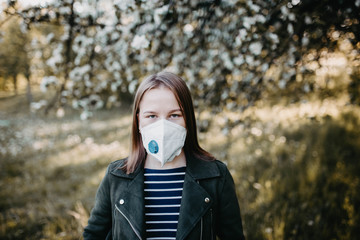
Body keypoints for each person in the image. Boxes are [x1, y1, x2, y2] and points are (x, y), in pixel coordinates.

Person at [83, 72, 245, 240]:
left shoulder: (215, 176)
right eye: (151, 116)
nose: (162, 126)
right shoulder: (116, 177)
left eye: (174, 115)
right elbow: (93, 235)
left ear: (187, 119)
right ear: (138, 120)